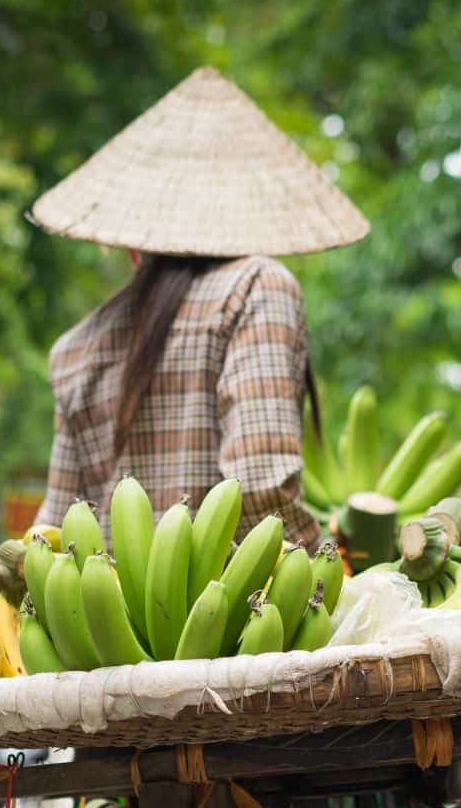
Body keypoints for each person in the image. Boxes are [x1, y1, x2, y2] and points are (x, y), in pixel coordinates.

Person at [30, 66, 369, 546]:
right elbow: (260, 494)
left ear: (131, 242)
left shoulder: (74, 349)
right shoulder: (257, 288)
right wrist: (331, 576)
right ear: (248, 222)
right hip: (237, 616)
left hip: (99, 620)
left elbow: (54, 531)